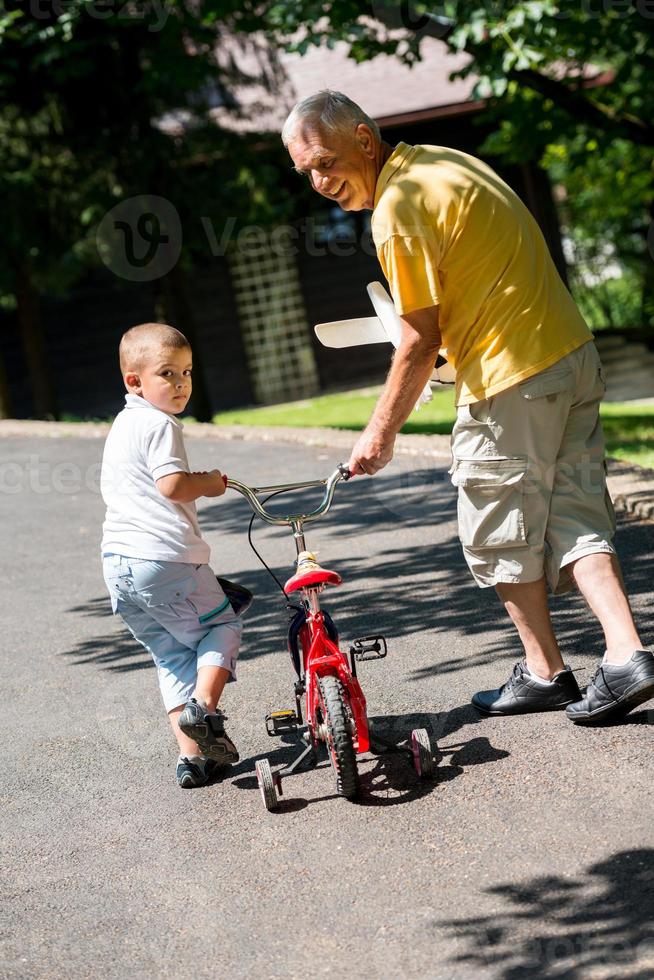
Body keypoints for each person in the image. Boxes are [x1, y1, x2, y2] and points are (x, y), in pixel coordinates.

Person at [282, 89, 654, 724]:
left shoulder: (397, 209)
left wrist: (380, 432)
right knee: (574, 513)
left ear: (365, 141)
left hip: (512, 379)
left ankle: (544, 673)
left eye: (326, 161)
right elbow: (467, 296)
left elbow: (419, 338)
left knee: (495, 531)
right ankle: (627, 658)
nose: (320, 181)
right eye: (306, 172)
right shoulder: (445, 163)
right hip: (569, 356)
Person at [101, 322, 243, 787]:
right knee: (221, 624)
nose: (181, 383)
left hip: (119, 567)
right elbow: (172, 485)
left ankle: (194, 760)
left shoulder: (122, 424)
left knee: (173, 656)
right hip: (164, 560)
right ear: (134, 381)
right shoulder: (160, 423)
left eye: (187, 372)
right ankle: (202, 709)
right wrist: (213, 481)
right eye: (168, 373)